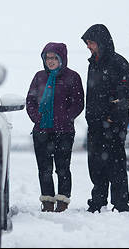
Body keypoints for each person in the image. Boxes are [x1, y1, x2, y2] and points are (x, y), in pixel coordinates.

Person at [26, 42, 84, 212]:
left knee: (62, 168)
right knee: (44, 168)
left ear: (61, 59)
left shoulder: (72, 77)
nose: (50, 61)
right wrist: (37, 118)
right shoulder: (39, 77)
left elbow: (78, 103)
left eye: (54, 58)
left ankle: (63, 201)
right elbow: (30, 100)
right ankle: (48, 201)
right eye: (47, 58)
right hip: (42, 131)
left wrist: (65, 118)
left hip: (64, 131)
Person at [81, 24, 129, 213]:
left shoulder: (119, 63)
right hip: (95, 123)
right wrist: (91, 117)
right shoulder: (92, 64)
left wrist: (113, 117)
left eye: (91, 42)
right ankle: (98, 200)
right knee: (96, 164)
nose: (88, 46)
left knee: (116, 164)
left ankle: (120, 204)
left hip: (113, 124)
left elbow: (124, 94)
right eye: (87, 43)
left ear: (101, 42)